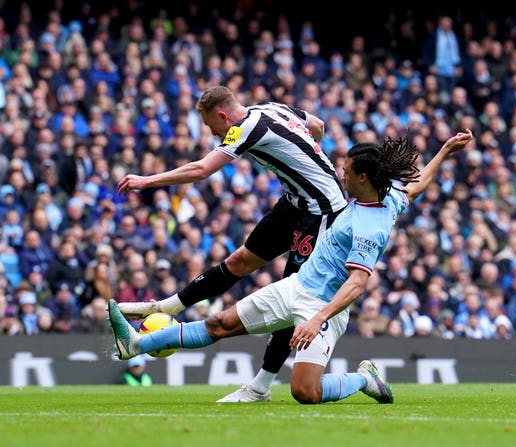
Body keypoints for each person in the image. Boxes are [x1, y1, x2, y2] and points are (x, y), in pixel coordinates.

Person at [109, 129, 474, 405]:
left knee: (305, 392)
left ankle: (363, 378)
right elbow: (417, 185)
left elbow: (357, 285)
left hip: (324, 308)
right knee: (219, 324)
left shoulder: (371, 228)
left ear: (363, 178)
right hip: (297, 287)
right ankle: (136, 343)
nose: (342, 176)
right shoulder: (390, 197)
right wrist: (444, 150)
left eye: (347, 171)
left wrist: (316, 320)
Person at [116, 85, 348, 402]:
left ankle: (260, 387)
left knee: (295, 297)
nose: (214, 135)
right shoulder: (272, 108)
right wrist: (306, 158)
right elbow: (317, 125)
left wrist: (147, 181)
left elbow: (202, 169)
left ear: (224, 115)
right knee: (240, 260)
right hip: (296, 203)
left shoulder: (244, 128)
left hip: (321, 213)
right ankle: (167, 307)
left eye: (213, 128)